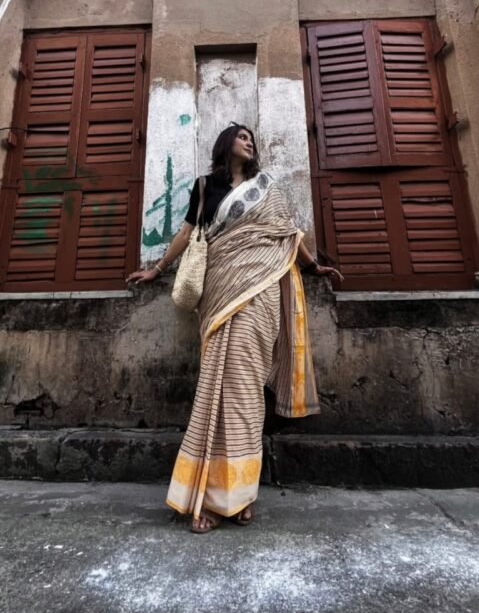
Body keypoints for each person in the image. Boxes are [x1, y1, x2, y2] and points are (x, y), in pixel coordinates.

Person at [127, 124, 341, 533]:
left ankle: (242, 493)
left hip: (261, 294)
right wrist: (157, 268)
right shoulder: (205, 186)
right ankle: (212, 497)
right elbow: (188, 233)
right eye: (242, 137)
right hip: (220, 292)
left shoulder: (267, 188)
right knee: (219, 387)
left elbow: (288, 233)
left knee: (246, 390)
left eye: (252, 138)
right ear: (226, 144)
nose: (250, 142)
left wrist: (313, 266)